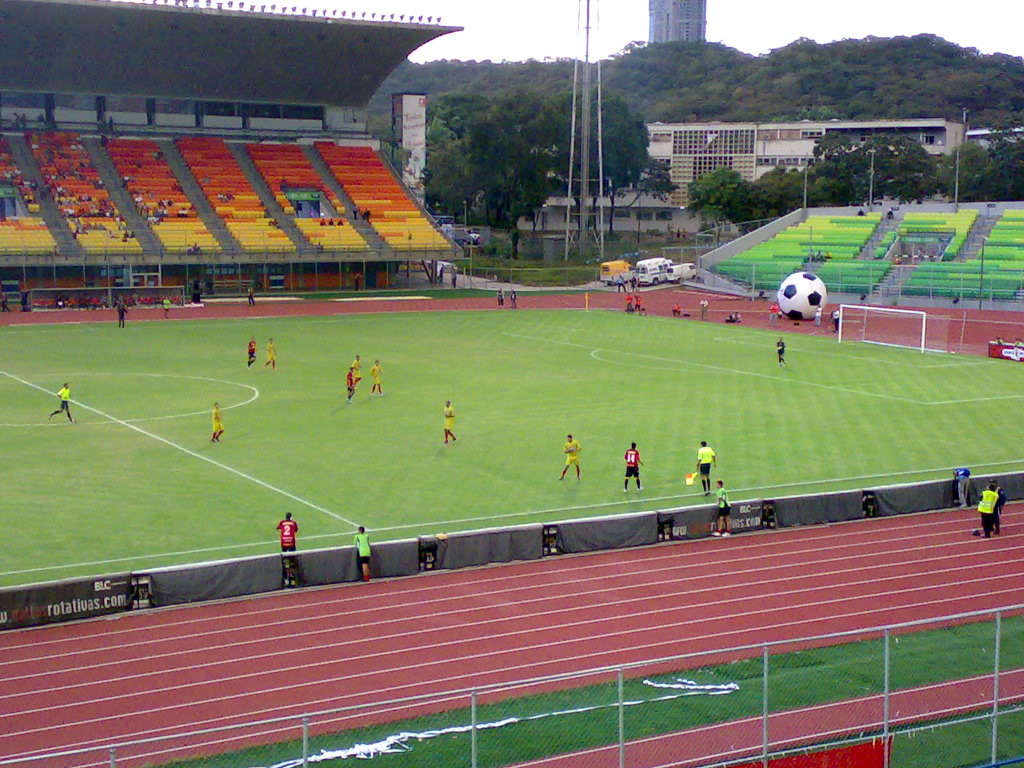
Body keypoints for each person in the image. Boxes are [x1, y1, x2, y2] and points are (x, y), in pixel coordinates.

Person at [277, 512, 300, 588]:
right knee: (293, 561)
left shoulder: (282, 522)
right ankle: (293, 580)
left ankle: (284, 579)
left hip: (284, 544)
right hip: (291, 543)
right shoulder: (293, 523)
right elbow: (296, 530)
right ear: (291, 517)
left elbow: (278, 528)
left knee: (284, 561)